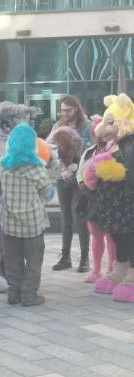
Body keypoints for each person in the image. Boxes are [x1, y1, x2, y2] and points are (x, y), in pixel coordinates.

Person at [0, 123, 54, 307]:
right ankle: (29, 295)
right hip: (33, 224)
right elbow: (47, 194)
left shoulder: (4, 168)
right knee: (33, 261)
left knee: (12, 260)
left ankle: (14, 293)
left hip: (9, 223)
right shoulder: (37, 169)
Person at [88, 93, 134, 302]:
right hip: (115, 205)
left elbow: (129, 172)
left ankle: (131, 276)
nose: (102, 129)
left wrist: (114, 171)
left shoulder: (129, 144)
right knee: (119, 237)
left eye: (110, 123)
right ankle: (120, 270)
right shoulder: (114, 143)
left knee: (129, 237)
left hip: (128, 204)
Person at [47, 95, 92, 272]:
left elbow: (92, 152)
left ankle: (84, 259)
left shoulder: (87, 126)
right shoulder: (57, 125)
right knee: (66, 219)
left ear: (76, 108)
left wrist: (76, 166)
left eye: (68, 110)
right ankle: (65, 257)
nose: (64, 113)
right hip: (62, 178)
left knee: (80, 217)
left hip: (80, 180)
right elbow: (50, 149)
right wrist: (61, 167)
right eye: (62, 110)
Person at [76, 115, 116, 283]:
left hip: (111, 199)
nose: (98, 137)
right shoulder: (89, 151)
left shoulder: (115, 150)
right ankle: (96, 270)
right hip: (91, 200)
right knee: (95, 234)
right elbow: (80, 171)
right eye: (96, 133)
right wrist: (81, 182)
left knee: (111, 236)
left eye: (102, 134)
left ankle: (112, 270)